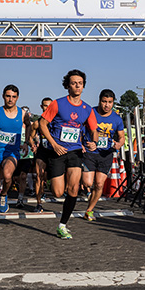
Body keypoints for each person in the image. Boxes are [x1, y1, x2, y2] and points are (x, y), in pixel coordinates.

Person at [39, 69, 98, 239]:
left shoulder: (87, 109)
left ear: (83, 86)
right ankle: (53, 179)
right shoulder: (57, 104)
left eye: (80, 83)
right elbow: (43, 124)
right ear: (67, 86)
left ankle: (62, 225)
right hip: (57, 150)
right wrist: (54, 144)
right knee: (57, 192)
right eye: (74, 83)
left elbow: (93, 130)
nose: (77, 86)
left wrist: (93, 141)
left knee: (73, 189)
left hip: (75, 151)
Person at [0, 85, 33, 224]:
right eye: (8, 96)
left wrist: (26, 142)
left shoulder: (22, 113)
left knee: (7, 175)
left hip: (12, 152)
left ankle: (4, 194)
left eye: (13, 97)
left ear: (17, 98)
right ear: (3, 96)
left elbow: (28, 125)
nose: (10, 99)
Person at [81, 89, 125, 221]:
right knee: (87, 182)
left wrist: (119, 144)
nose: (107, 105)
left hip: (106, 154)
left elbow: (122, 137)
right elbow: (79, 129)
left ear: (113, 103)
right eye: (104, 101)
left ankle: (89, 210)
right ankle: (84, 187)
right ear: (99, 101)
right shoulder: (91, 113)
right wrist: (82, 144)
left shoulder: (117, 119)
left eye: (110, 102)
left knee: (99, 184)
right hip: (89, 152)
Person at [31, 97, 54, 212]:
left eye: (50, 106)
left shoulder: (57, 121)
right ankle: (38, 203)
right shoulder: (37, 123)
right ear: (41, 107)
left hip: (54, 152)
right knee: (38, 177)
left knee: (51, 180)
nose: (47, 108)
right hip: (42, 151)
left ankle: (48, 186)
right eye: (45, 106)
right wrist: (31, 144)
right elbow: (30, 136)